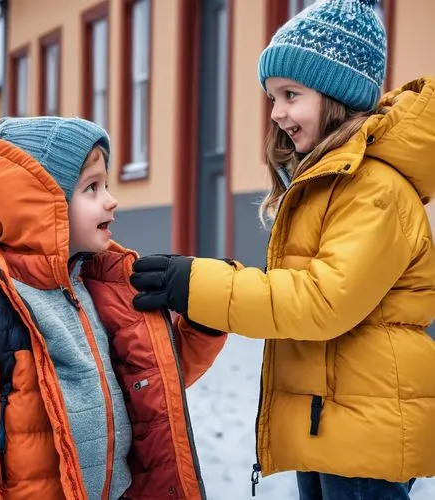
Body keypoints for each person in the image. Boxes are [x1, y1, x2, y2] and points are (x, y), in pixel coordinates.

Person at [129, 0, 435, 499]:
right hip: (332, 418)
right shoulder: (332, 182)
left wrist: (199, 284)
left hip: (363, 429)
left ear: (337, 94)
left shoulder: (374, 189)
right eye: (272, 98)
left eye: (291, 94)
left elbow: (319, 302)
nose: (277, 114)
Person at [0, 116, 226, 500]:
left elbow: (149, 381)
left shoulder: (105, 288)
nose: (110, 199)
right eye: (91, 187)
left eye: (106, 185)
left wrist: (204, 321)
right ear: (41, 206)